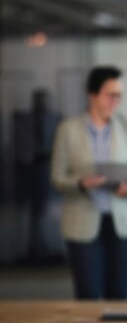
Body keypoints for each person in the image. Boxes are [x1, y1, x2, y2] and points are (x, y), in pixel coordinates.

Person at [51, 66, 127, 299]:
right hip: (82, 220)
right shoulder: (68, 129)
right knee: (88, 294)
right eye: (110, 94)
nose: (116, 101)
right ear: (92, 94)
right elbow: (57, 177)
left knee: (119, 294)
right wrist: (82, 183)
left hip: (123, 222)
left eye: (119, 95)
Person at [13, 89, 61, 262]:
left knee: (43, 212)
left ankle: (42, 246)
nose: (42, 104)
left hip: (47, 170)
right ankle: (35, 247)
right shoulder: (24, 120)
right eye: (39, 100)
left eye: (44, 100)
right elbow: (22, 148)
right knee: (35, 213)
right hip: (31, 171)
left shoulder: (54, 120)